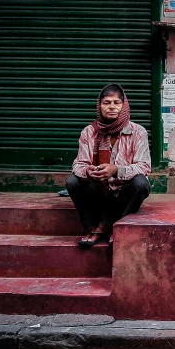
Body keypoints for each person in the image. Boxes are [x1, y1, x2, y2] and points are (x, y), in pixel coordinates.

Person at [66, 84, 151, 247]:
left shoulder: (138, 131)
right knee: (72, 181)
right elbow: (78, 165)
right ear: (100, 106)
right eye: (106, 103)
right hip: (98, 190)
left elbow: (144, 166)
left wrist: (116, 170)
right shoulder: (89, 132)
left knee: (141, 184)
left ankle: (113, 226)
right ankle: (94, 226)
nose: (111, 107)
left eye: (116, 102)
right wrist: (88, 171)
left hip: (123, 191)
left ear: (123, 106)